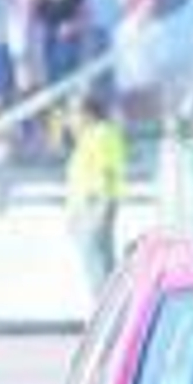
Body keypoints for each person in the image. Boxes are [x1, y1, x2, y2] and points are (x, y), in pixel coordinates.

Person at [64, 94, 127, 299]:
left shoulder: (102, 134)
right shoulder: (88, 136)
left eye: (74, 113)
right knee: (95, 265)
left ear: (87, 113)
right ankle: (103, 308)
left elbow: (107, 172)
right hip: (86, 210)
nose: (71, 119)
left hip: (95, 207)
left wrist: (103, 209)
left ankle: (106, 311)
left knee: (99, 266)